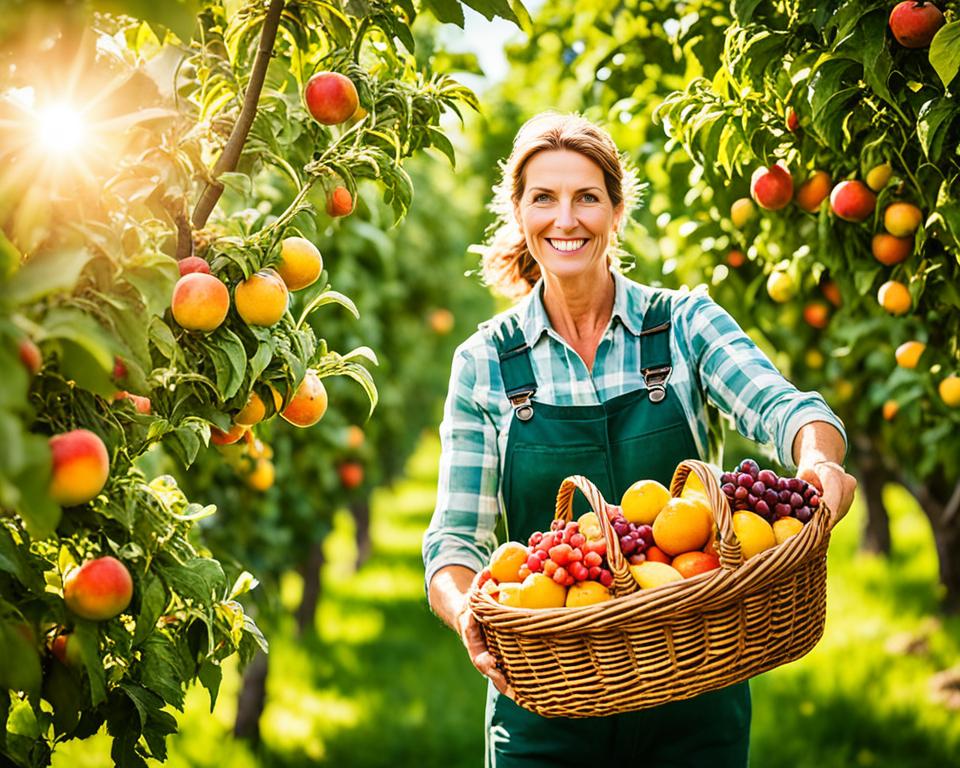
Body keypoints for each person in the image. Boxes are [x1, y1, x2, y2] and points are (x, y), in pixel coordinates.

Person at [422, 112, 858, 767]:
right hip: (547, 698)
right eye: (544, 198)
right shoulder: (486, 362)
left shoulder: (684, 325)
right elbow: (455, 541)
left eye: (587, 198)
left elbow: (785, 410)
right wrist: (464, 611)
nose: (565, 219)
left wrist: (819, 458)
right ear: (518, 212)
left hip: (697, 682)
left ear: (617, 210)